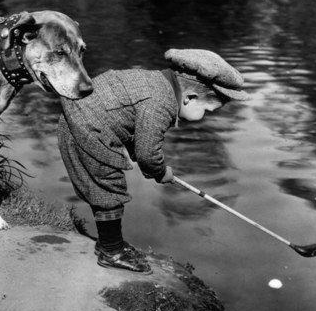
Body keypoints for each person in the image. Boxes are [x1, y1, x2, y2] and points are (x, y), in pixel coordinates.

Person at [58, 49, 249, 273]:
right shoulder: (162, 103)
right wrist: (159, 171)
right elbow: (148, 154)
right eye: (207, 111)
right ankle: (111, 251)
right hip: (87, 129)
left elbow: (130, 125)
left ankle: (109, 244)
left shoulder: (155, 83)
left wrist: (146, 161)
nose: (205, 116)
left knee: (106, 188)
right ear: (189, 98)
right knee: (108, 190)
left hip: (79, 120)